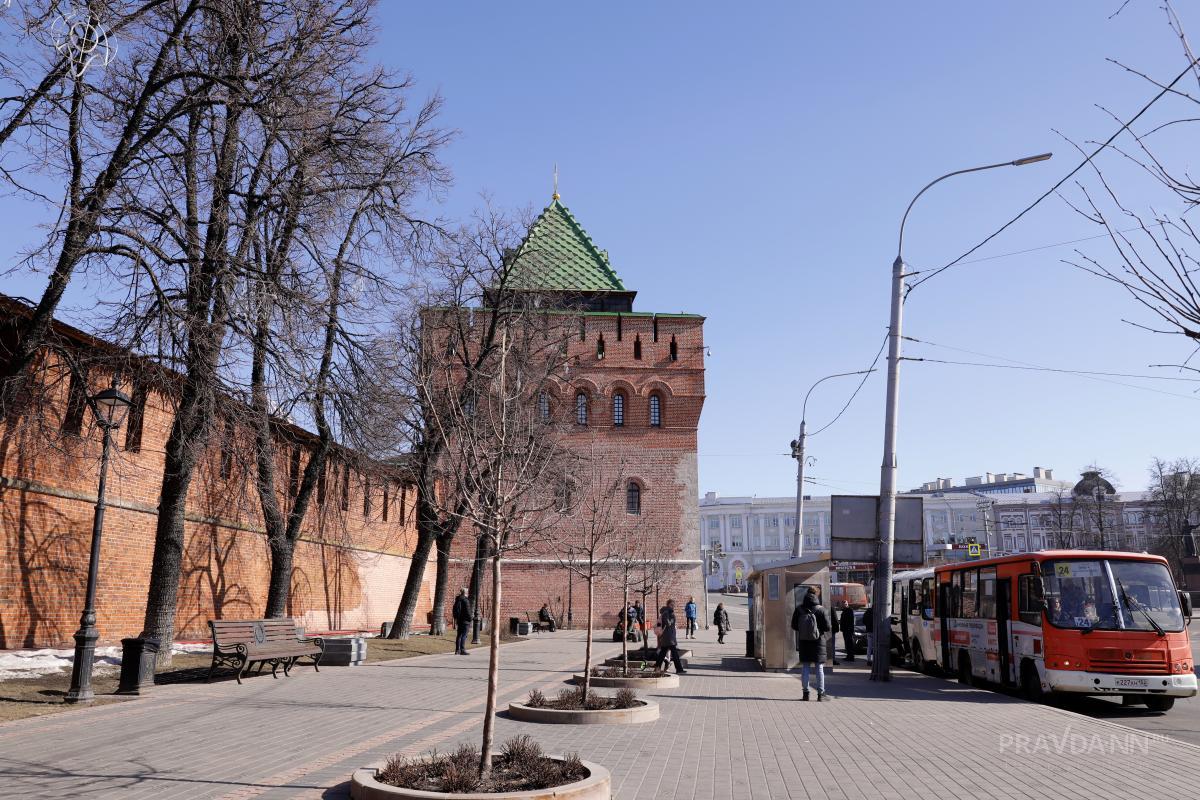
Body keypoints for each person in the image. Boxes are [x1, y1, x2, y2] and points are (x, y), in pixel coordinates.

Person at [791, 588, 830, 701]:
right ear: (816, 596)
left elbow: (794, 625)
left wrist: (804, 630)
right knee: (819, 668)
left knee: (806, 667)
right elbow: (827, 627)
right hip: (818, 642)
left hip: (804, 642)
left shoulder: (799, 609)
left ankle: (805, 694)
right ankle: (821, 694)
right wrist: (817, 630)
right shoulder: (821, 609)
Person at [653, 599, 687, 674]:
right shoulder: (666, 613)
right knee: (675, 654)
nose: (673, 606)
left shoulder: (667, 612)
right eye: (671, 604)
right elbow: (668, 623)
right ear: (668, 604)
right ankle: (679, 669)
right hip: (668, 636)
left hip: (668, 636)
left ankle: (657, 667)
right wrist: (671, 618)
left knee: (662, 653)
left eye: (673, 605)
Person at [452, 588, 472, 655]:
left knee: (459, 635)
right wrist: (470, 619)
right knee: (464, 635)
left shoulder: (457, 599)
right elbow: (468, 611)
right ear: (466, 592)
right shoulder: (465, 600)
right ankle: (462, 649)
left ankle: (457, 650)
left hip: (459, 620)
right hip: (465, 621)